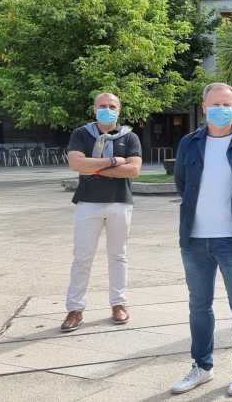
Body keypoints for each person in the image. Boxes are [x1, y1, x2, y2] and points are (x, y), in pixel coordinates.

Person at [170, 83, 232, 396]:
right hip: (195, 239)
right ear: (204, 108)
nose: (221, 109)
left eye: (227, 104)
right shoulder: (189, 143)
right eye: (215, 104)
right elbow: (181, 183)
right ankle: (202, 367)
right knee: (199, 305)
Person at [61, 92, 143, 332]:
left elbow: (133, 170)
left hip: (120, 202)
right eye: (102, 106)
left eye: (112, 106)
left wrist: (93, 168)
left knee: (118, 256)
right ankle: (75, 309)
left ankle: (119, 304)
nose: (107, 110)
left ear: (119, 110)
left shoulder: (130, 136)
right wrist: (114, 161)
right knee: (82, 257)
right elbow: (76, 164)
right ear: (94, 109)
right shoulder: (81, 134)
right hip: (88, 203)